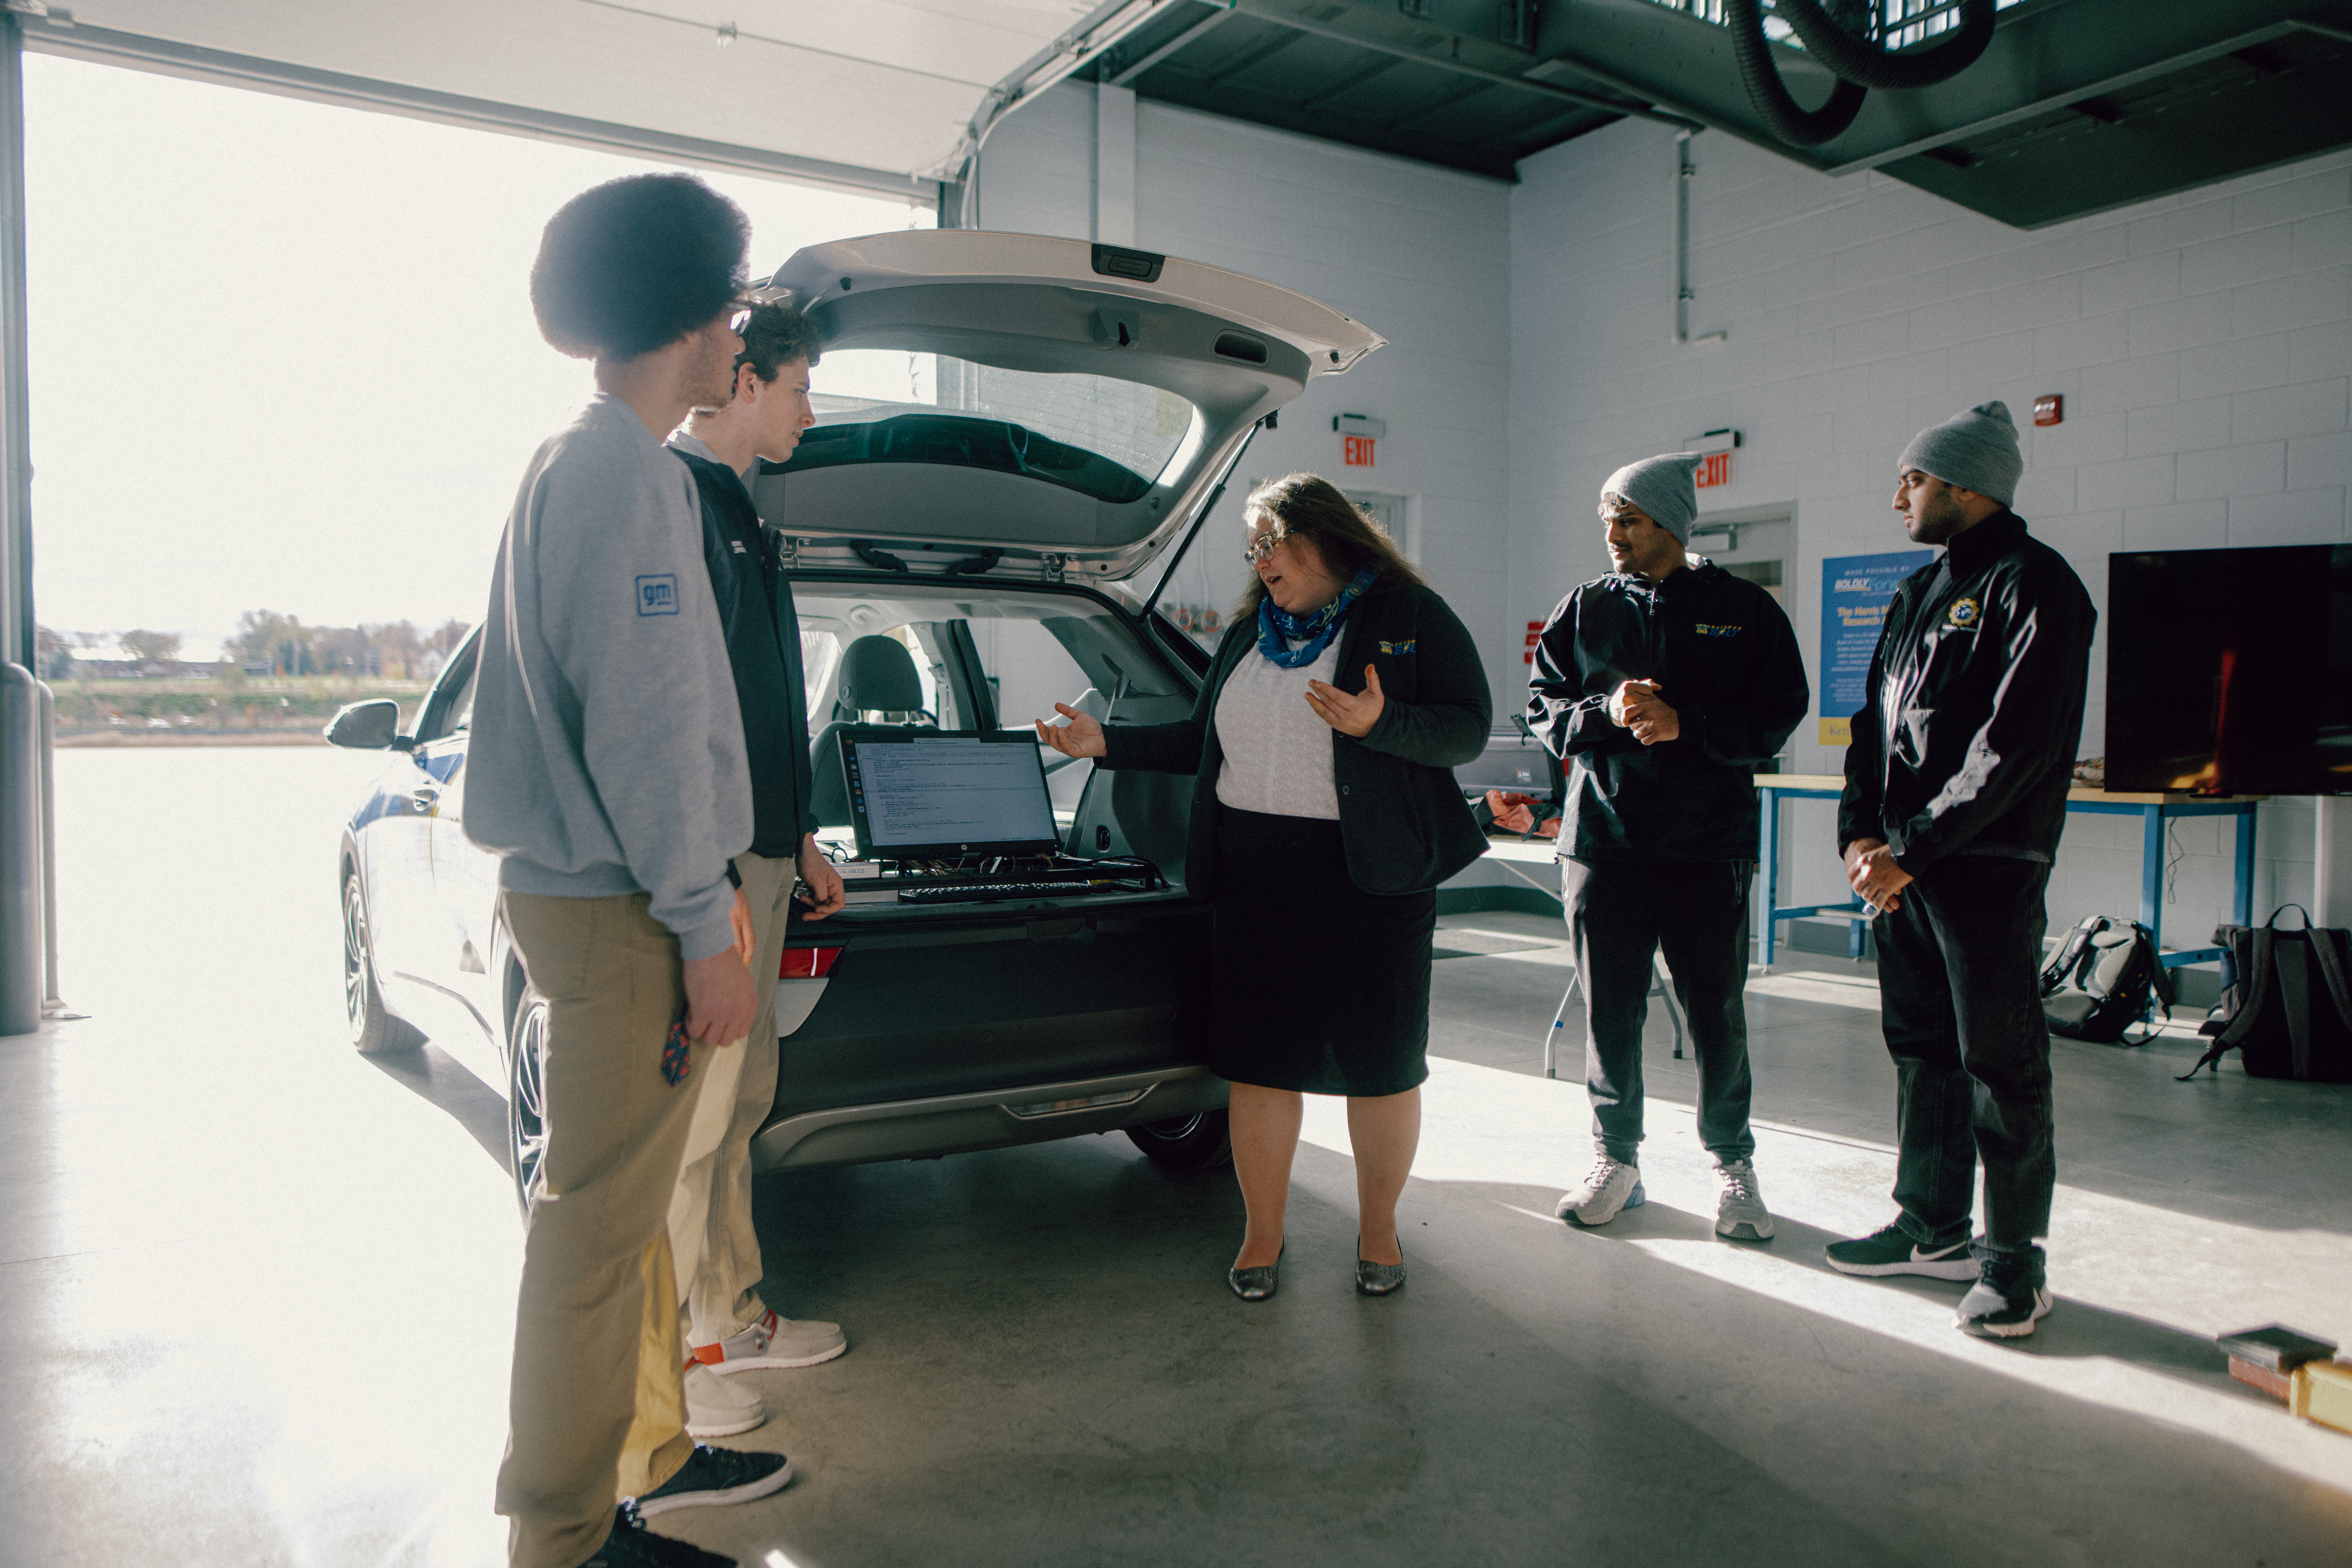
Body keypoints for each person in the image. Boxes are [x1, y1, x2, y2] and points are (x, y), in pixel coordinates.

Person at [465, 172, 784, 1568]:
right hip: (622, 916)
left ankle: (591, 1504)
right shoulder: (630, 477)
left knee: (596, 1234)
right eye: (729, 312)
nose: (740, 340)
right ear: (688, 323)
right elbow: (651, 734)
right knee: (596, 1246)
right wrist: (704, 928)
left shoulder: (573, 460)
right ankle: (566, 1537)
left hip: (583, 903)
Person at [1036, 474, 1490, 1300]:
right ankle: (1262, 1233)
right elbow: (1203, 739)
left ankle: (1380, 1228)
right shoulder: (1253, 631)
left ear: (1322, 536)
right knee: (1260, 1065)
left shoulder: (1408, 615)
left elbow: (1467, 724)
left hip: (1370, 879)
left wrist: (1379, 723)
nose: (1260, 559)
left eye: (1269, 541)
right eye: (1254, 547)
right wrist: (1108, 742)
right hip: (1255, 874)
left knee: (1381, 1065)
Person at [1828, 401, 2095, 1341]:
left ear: (1969, 485)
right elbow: (1872, 731)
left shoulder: (2039, 586)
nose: (1899, 492)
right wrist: (1861, 838)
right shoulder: (1917, 592)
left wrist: (1913, 848)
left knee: (2000, 1063)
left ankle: (2015, 1265)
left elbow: (2012, 744)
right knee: (1924, 1052)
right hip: (1901, 867)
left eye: (1915, 477)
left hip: (1982, 864)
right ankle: (1930, 1224)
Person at [634, 301, 849, 1459]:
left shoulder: (739, 511)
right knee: (695, 1122)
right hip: (714, 865)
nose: (811, 410)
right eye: (801, 386)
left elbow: (759, 703)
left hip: (763, 850)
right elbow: (674, 714)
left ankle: (729, 1316)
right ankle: (674, 1361)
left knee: (742, 1105)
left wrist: (799, 835)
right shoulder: (672, 498)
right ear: (745, 381)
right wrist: (710, 868)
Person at [1527, 454, 1808, 1238]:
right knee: (1611, 1010)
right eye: (1607, 518)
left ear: (1672, 523)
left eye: (1630, 519)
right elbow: (1543, 709)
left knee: (1717, 1011)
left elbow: (1780, 713)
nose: (1613, 534)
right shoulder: (1583, 609)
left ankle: (1733, 1166)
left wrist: (1692, 724)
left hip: (1706, 847)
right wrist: (1603, 708)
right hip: (1604, 846)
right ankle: (1617, 1158)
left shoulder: (1742, 609)